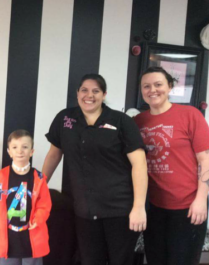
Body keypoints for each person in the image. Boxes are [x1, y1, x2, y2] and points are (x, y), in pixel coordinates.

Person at [42, 74, 148, 265]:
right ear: (77, 93)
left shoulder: (121, 121)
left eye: (96, 91)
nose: (89, 95)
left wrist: (139, 207)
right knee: (90, 260)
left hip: (120, 209)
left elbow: (139, 164)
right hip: (85, 209)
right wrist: (39, 188)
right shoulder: (65, 118)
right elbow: (53, 155)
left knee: (120, 261)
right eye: (84, 90)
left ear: (104, 94)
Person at [134, 66, 209, 265]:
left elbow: (207, 159)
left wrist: (201, 199)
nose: (153, 90)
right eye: (147, 86)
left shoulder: (190, 115)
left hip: (188, 206)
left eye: (158, 84)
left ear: (169, 87)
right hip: (153, 207)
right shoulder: (137, 122)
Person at [0, 130, 52, 265]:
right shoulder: (1, 175)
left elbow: (44, 204)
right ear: (9, 152)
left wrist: (38, 219)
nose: (20, 151)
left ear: (31, 151)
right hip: (8, 236)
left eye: (25, 147)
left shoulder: (39, 179)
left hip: (31, 234)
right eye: (15, 147)